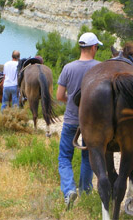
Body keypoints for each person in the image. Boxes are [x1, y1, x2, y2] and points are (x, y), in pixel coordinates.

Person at [56, 32, 102, 210]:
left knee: (64, 157)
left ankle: (69, 191)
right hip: (92, 122)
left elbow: (59, 95)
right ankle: (86, 192)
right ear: (92, 48)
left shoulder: (68, 68)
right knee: (87, 157)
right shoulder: (100, 68)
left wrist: (73, 101)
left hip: (71, 120)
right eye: (97, 47)